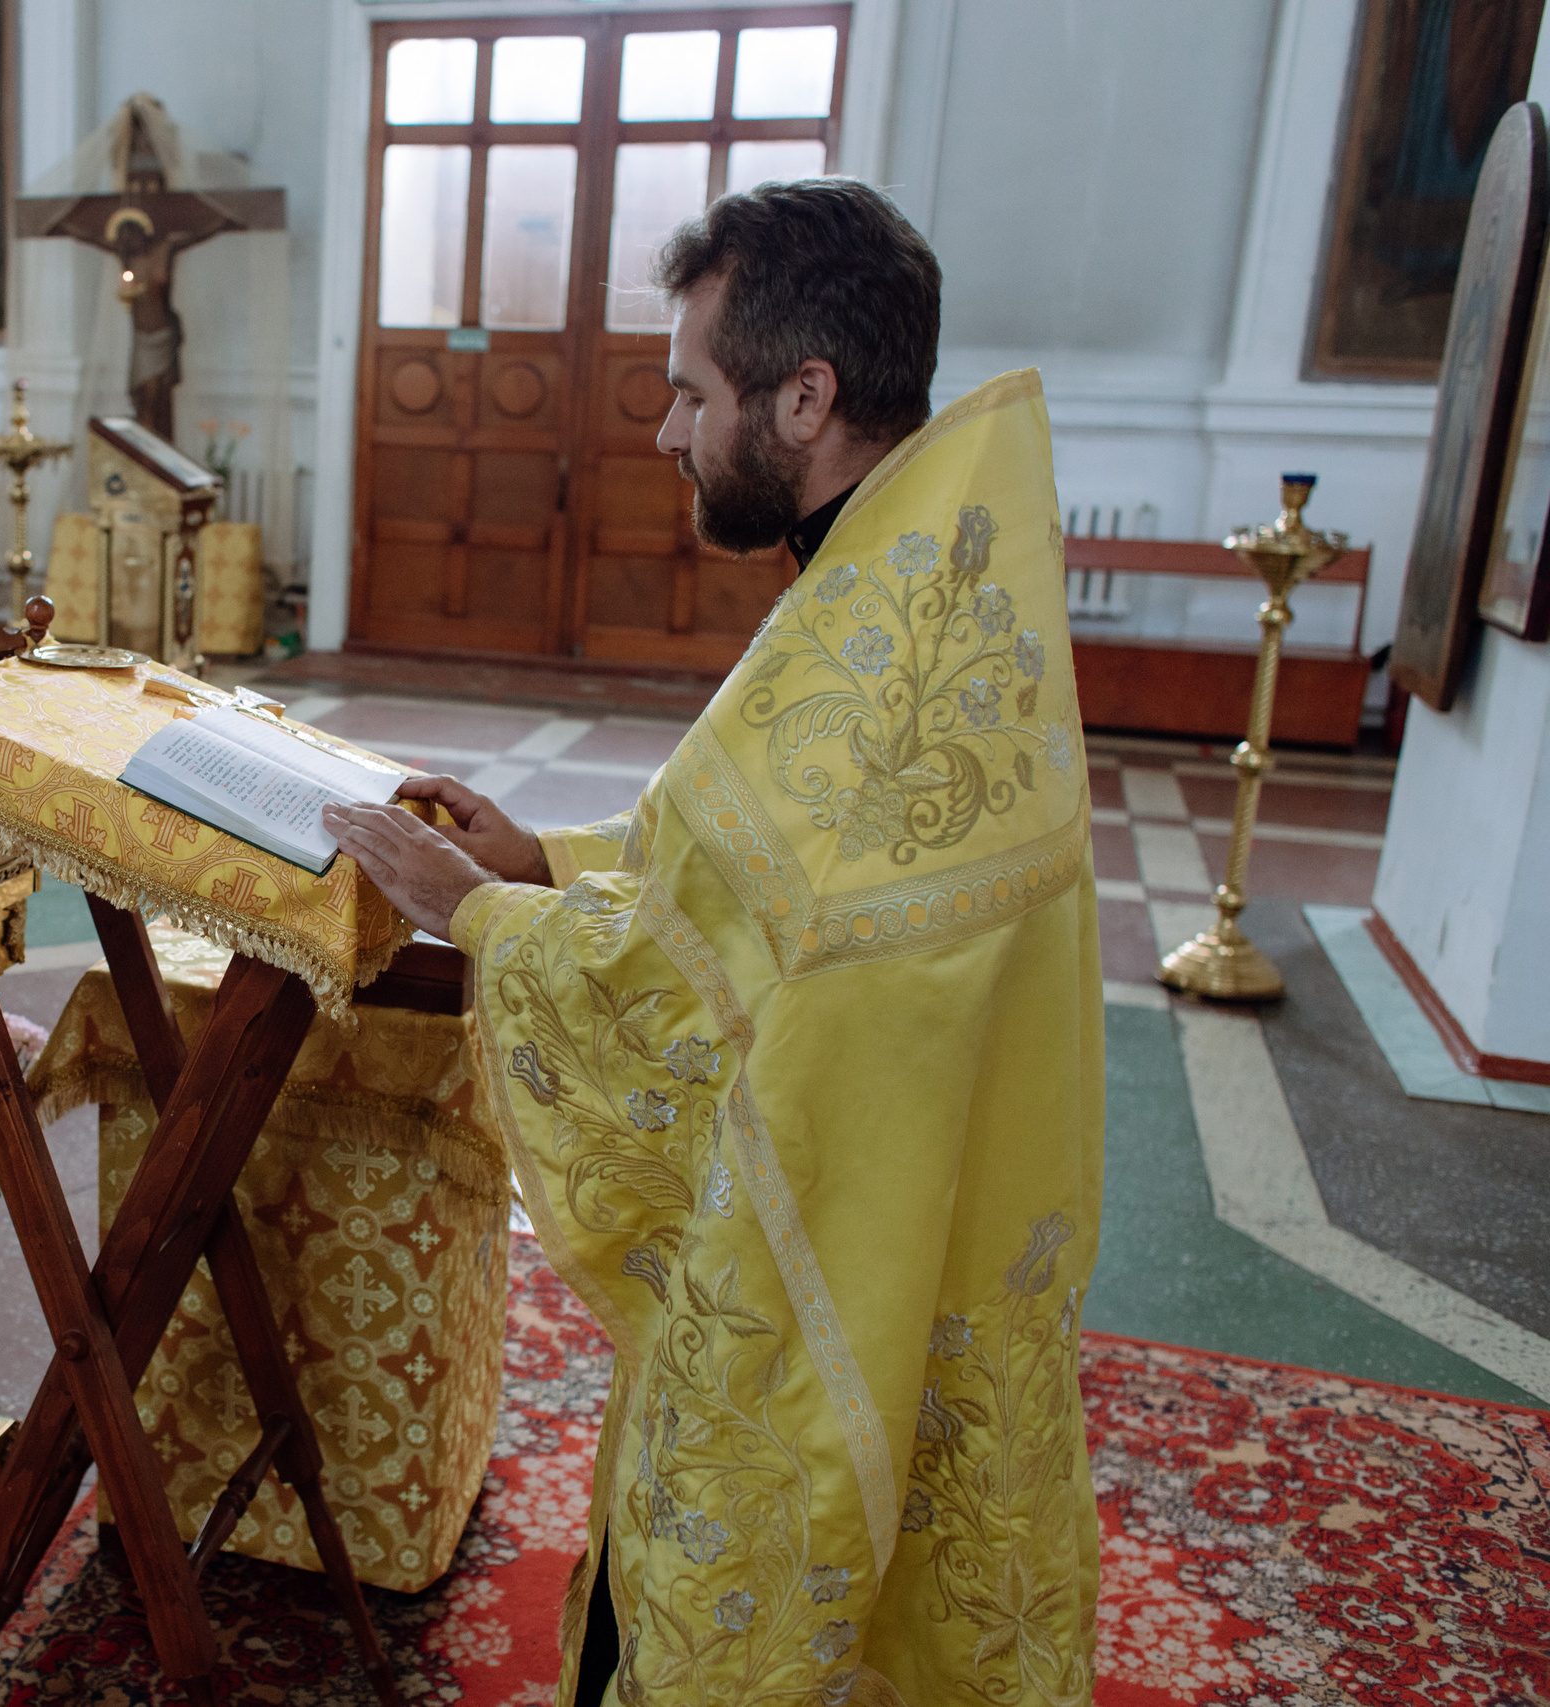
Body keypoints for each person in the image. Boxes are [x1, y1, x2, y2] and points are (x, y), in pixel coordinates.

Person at [325, 179, 1101, 1706]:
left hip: (827, 1248)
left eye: (690, 391)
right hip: (912, 1210)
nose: (667, 432)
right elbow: (758, 890)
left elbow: (692, 1003)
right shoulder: (910, 585)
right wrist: (549, 856)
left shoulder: (879, 645)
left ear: (804, 397)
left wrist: (471, 909)